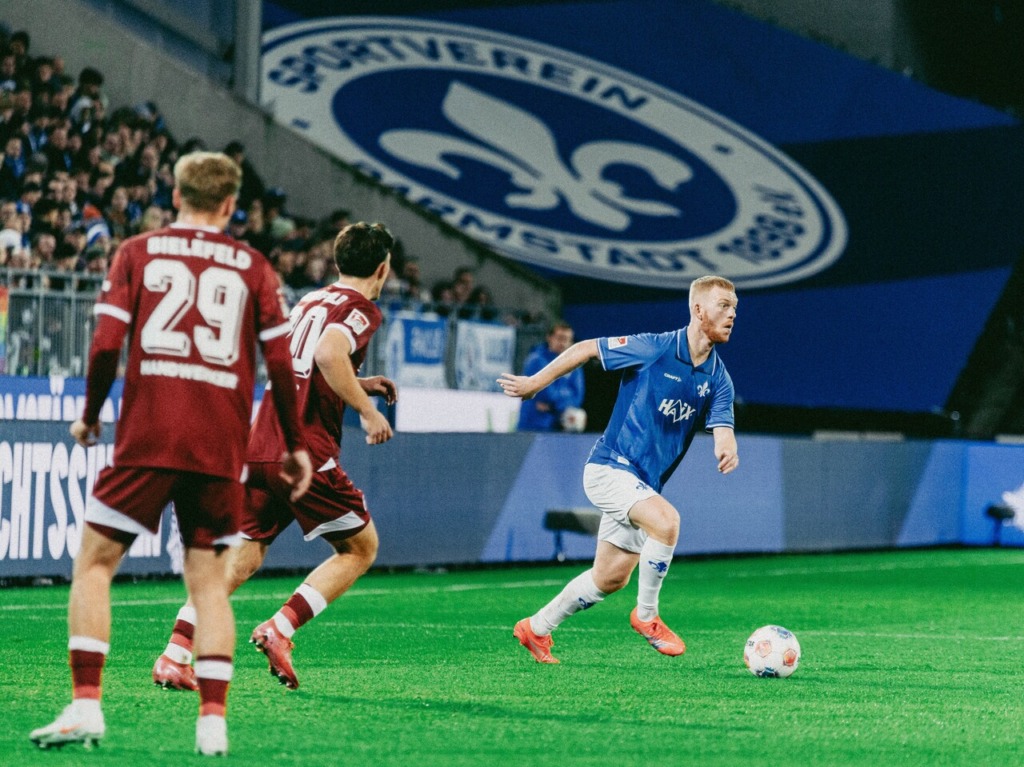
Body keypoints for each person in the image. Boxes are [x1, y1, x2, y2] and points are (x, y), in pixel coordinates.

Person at [29, 151, 314, 756]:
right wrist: (293, 444)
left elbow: (106, 345)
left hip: (147, 438)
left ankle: (86, 708)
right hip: (217, 444)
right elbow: (282, 365)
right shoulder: (255, 266)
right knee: (209, 583)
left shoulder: (137, 251)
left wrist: (89, 414)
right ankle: (212, 724)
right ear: (231, 205)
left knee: (96, 564)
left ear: (175, 194)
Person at [151, 222, 397, 693]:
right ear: (382, 268)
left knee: (242, 556)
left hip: (261, 445)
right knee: (360, 548)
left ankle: (175, 654)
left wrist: (357, 382)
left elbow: (300, 359)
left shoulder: (310, 300)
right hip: (304, 452)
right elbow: (327, 353)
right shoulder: (362, 308)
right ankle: (279, 628)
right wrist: (366, 411)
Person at [497, 275, 740, 663]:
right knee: (667, 521)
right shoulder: (656, 348)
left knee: (610, 579)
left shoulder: (718, 378)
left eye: (734, 309)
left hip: (642, 483)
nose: (731, 315)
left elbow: (723, 426)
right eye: (723, 306)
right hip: (610, 468)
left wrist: (726, 445)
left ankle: (536, 628)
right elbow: (585, 348)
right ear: (697, 309)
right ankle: (647, 617)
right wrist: (534, 384)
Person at [516, 321, 586, 432]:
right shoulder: (536, 360)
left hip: (559, 427)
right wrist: (564, 398)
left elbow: (577, 397)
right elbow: (544, 392)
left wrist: (553, 407)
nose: (563, 343)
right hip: (534, 424)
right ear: (549, 337)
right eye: (560, 338)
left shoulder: (575, 365)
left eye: (567, 339)